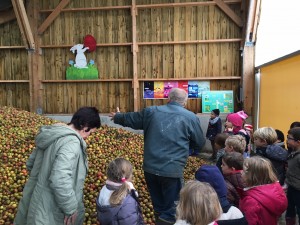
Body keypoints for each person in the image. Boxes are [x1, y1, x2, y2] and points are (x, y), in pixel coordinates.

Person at [111, 88, 206, 225]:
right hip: (172, 170)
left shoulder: (151, 111)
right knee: (173, 208)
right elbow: (200, 143)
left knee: (158, 206)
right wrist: (188, 147)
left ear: (169, 98)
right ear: (185, 102)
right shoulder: (190, 117)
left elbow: (132, 119)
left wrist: (118, 117)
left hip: (150, 168)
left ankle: (159, 219)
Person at [14, 107, 101, 225]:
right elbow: (59, 178)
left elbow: (30, 164)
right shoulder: (72, 143)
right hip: (49, 208)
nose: (87, 137)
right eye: (90, 133)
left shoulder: (53, 134)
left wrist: (42, 181)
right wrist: (70, 208)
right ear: (85, 128)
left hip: (34, 200)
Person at [240, 156, 288, 225]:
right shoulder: (276, 190)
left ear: (252, 176)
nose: (241, 172)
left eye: (244, 171)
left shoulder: (251, 201)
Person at [96, 158, 145, 225]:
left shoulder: (103, 190)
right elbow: (129, 221)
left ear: (107, 174)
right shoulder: (128, 201)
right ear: (129, 176)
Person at [285, 127, 300, 225]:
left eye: (289, 138)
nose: (287, 140)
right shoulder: (293, 152)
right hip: (292, 186)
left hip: (298, 190)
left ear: (298, 142)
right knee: (289, 210)